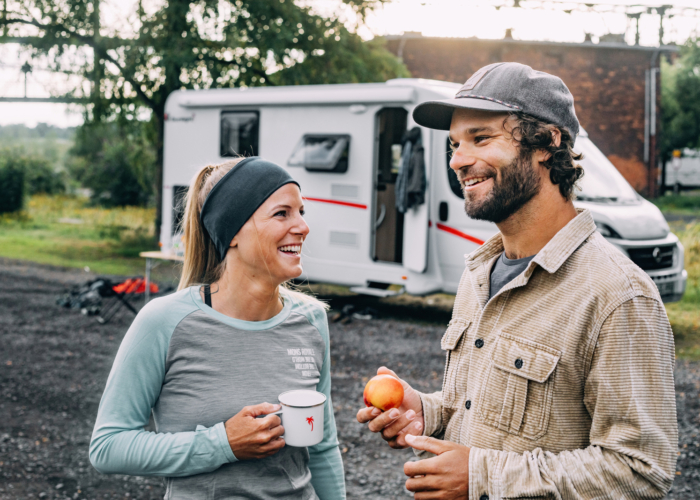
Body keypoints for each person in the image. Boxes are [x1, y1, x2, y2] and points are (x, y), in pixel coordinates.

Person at [357, 62, 677, 499]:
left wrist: (482, 476)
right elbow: (481, 412)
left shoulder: (619, 294)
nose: (457, 160)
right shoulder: (479, 275)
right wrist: (426, 411)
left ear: (547, 141)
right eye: (453, 144)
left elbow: (641, 470)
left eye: (480, 138)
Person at [90, 157, 346, 500]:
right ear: (233, 230)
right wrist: (223, 443)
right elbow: (108, 446)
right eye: (282, 213)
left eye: (302, 212)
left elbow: (324, 445)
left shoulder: (312, 318)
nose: (303, 226)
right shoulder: (163, 321)